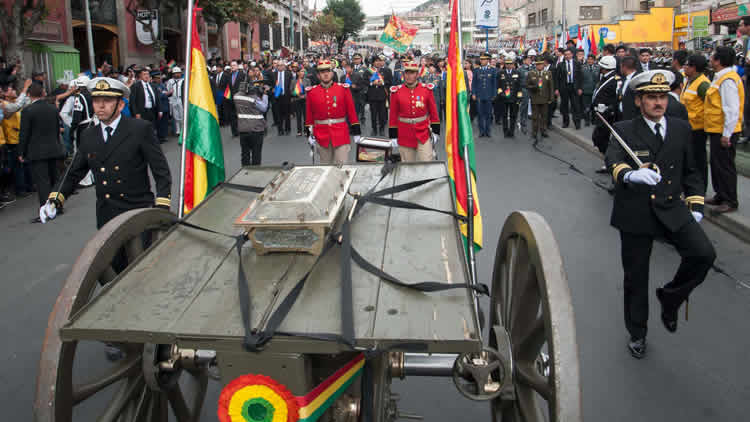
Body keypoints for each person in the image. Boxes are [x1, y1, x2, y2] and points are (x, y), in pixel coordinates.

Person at [604, 69, 715, 359]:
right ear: (639, 100)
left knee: (704, 254)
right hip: (636, 212)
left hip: (671, 207)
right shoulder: (625, 129)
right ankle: (637, 332)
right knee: (636, 277)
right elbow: (613, 159)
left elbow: (692, 170)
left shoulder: (680, 128)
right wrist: (630, 175)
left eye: (662, 97)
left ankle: (671, 297)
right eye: (651, 97)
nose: (658, 103)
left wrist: (696, 204)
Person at [41, 77, 172, 228]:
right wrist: (55, 199)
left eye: (108, 101)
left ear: (121, 104)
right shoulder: (89, 135)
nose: (101, 106)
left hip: (137, 210)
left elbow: (160, 171)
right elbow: (73, 172)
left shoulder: (140, 129)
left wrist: (162, 205)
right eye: (96, 101)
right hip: (106, 213)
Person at [17, 83, 65, 222]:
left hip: (37, 151)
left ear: (29, 95)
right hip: (53, 148)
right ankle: (58, 206)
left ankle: (47, 211)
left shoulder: (28, 111)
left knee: (43, 182)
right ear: (43, 93)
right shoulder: (52, 108)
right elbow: (57, 129)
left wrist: (21, 152)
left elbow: (24, 134)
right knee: (55, 178)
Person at [704, 46, 743, 213]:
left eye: (712, 57)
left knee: (725, 166)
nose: (710, 59)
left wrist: (727, 134)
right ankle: (720, 194)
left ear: (718, 61)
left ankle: (730, 200)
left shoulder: (727, 80)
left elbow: (731, 109)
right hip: (716, 129)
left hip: (725, 131)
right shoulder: (720, 77)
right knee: (717, 164)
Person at [304, 59, 361, 164]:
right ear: (318, 75)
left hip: (341, 133)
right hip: (321, 135)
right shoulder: (312, 92)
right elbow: (309, 115)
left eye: (328, 71)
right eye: (322, 72)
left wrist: (356, 131)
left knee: (342, 166)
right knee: (325, 167)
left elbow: (351, 111)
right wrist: (309, 134)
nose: (325, 74)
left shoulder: (343, 89)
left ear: (332, 73)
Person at [388, 61, 440, 162]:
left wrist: (436, 131)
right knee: (408, 167)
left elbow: (433, 112)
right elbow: (393, 115)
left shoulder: (426, 90)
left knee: (426, 162)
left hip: (423, 133)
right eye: (406, 73)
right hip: (404, 134)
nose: (409, 76)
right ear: (403, 74)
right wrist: (393, 135)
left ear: (417, 74)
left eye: (412, 73)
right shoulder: (396, 92)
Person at [680, 54, 711, 192]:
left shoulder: (703, 84)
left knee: (699, 161)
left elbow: (709, 106)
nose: (684, 67)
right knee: (688, 160)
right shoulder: (689, 80)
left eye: (687, 65)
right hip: (687, 127)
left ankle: (700, 190)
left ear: (694, 67)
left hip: (697, 129)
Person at [591, 56, 620, 161]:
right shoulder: (604, 77)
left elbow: (618, 97)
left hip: (607, 115)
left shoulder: (615, 80)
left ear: (604, 68)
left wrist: (609, 108)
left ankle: (610, 160)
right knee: (598, 137)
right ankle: (607, 159)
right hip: (599, 113)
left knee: (601, 138)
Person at [235, 80, 269, 165]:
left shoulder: (236, 97)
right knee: (256, 153)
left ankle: (245, 171)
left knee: (245, 153)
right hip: (256, 129)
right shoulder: (253, 98)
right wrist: (264, 94)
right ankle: (255, 172)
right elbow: (264, 108)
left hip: (243, 129)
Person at [526, 57, 555, 141]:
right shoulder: (531, 73)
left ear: (543, 65)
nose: (539, 66)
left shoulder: (548, 73)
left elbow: (551, 87)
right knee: (535, 117)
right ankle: (534, 132)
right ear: (535, 65)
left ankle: (543, 131)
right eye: (537, 65)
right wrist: (533, 87)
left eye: (541, 64)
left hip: (545, 98)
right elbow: (527, 85)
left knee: (544, 116)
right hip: (535, 98)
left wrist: (551, 97)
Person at [556, 48, 583, 129]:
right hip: (564, 87)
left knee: (575, 105)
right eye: (566, 54)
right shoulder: (561, 64)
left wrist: (580, 88)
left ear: (572, 55)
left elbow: (580, 77)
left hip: (574, 86)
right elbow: (557, 78)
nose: (567, 56)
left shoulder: (577, 63)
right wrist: (557, 88)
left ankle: (577, 122)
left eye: (569, 54)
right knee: (564, 105)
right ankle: (565, 122)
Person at [472, 53, 497, 138]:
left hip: (489, 95)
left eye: (484, 59)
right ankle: (481, 131)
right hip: (479, 95)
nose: (482, 61)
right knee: (480, 114)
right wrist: (474, 93)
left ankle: (488, 131)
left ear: (488, 60)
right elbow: (474, 83)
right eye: (481, 60)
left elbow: (494, 84)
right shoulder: (476, 70)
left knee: (488, 114)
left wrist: (494, 94)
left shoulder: (492, 70)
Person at [366, 55, 393, 136]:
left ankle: (381, 129)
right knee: (373, 114)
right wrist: (371, 83)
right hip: (372, 96)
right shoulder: (368, 71)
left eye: (379, 61)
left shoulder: (386, 71)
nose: (378, 62)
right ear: (373, 62)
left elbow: (390, 81)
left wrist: (383, 83)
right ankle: (374, 129)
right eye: (376, 61)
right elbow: (364, 81)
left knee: (382, 114)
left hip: (382, 96)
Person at [497, 56, 522, 137]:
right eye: (507, 64)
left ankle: (511, 132)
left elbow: (519, 86)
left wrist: (519, 98)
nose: (508, 65)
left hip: (514, 98)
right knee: (504, 116)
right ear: (505, 64)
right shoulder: (501, 73)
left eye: (510, 64)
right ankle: (505, 131)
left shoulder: (517, 73)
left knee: (513, 116)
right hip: (504, 98)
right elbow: (498, 86)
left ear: (513, 64)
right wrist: (501, 94)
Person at [272, 61, 293, 136]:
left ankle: (288, 129)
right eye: (278, 65)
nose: (280, 67)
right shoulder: (274, 74)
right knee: (279, 114)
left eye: (281, 65)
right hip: (277, 97)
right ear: (277, 67)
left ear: (284, 66)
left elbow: (291, 85)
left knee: (287, 113)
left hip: (286, 96)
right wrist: (273, 89)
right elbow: (271, 84)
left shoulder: (288, 74)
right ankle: (280, 130)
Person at [618, 56, 639, 121]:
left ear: (624, 67)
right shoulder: (625, 78)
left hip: (633, 118)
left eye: (620, 67)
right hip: (623, 116)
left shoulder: (637, 80)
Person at [165, 66, 185, 137]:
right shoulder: (170, 81)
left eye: (178, 73)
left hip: (181, 99)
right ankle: (178, 130)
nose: (177, 74)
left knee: (182, 115)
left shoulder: (183, 80)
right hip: (173, 98)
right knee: (175, 115)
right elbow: (168, 90)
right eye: (175, 73)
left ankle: (183, 130)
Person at [581, 54, 599, 127]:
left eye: (592, 59)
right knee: (586, 106)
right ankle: (587, 120)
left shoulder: (598, 68)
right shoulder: (582, 68)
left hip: (595, 90)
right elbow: (580, 79)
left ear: (594, 60)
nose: (590, 61)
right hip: (585, 90)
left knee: (594, 106)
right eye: (589, 59)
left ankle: (594, 119)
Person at [292, 67, 309, 136]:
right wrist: (296, 94)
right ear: (298, 73)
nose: (303, 73)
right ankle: (299, 131)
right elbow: (291, 91)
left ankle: (306, 130)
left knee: (306, 116)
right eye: (301, 71)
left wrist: (304, 96)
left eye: (303, 71)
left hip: (305, 100)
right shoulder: (294, 81)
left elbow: (309, 90)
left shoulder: (307, 80)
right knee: (298, 116)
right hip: (297, 100)